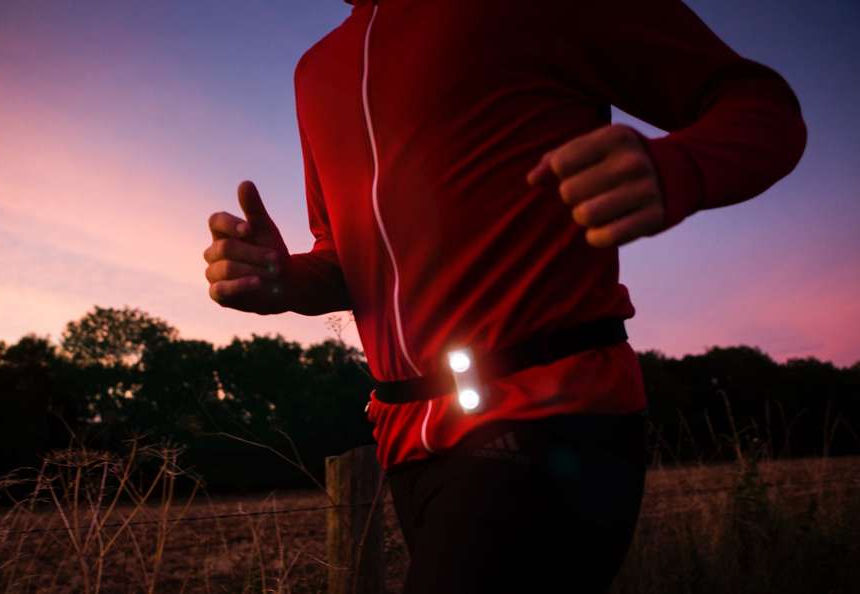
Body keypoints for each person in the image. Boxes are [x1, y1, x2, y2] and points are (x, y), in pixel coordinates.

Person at [202, 0, 806, 591]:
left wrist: (678, 168)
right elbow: (343, 258)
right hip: (405, 442)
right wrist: (284, 280)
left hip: (550, 413)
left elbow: (763, 109)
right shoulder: (314, 70)